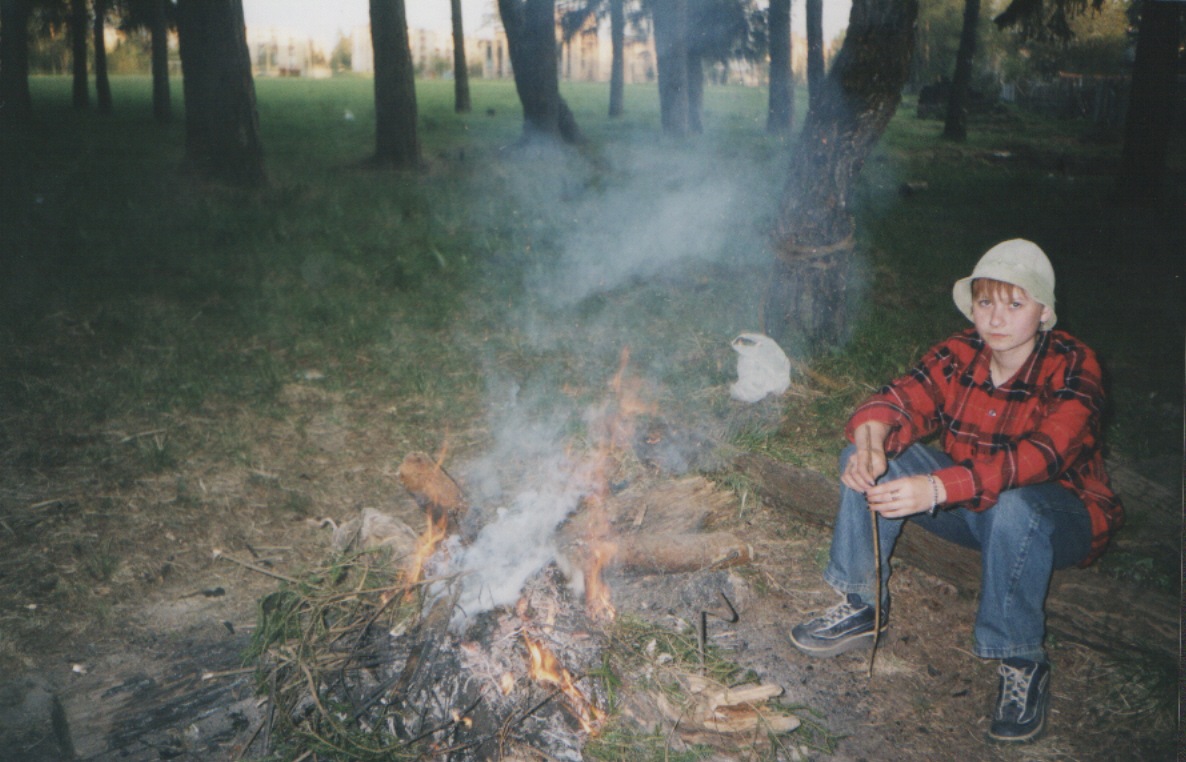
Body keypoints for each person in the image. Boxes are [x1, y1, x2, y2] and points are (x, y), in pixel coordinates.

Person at [788, 239, 1123, 743]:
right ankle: (863, 603)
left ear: (1044, 311)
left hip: (1057, 519)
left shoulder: (1075, 364)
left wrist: (937, 488)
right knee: (864, 460)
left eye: (1015, 304)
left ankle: (1021, 659)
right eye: (985, 302)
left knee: (1015, 504)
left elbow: (1042, 457)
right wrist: (871, 438)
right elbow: (898, 398)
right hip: (969, 504)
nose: (996, 318)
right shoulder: (961, 351)